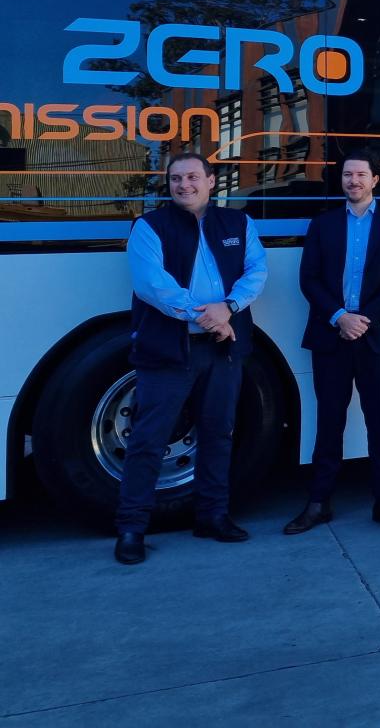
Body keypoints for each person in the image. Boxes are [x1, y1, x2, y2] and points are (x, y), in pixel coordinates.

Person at [114, 152, 268, 565]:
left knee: (218, 434)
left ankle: (212, 517)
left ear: (212, 181)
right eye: (176, 178)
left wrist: (229, 307)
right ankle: (131, 528)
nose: (184, 185)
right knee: (148, 440)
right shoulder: (148, 227)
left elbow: (256, 271)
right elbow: (152, 286)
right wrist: (208, 317)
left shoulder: (239, 223)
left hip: (225, 348)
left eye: (193, 177)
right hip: (168, 350)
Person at [286, 150, 380, 534]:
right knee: (329, 421)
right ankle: (318, 502)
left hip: (378, 337)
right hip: (331, 335)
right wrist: (339, 317)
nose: (353, 181)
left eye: (361, 174)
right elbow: (308, 279)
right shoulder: (322, 224)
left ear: (376, 179)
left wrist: (364, 319)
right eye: (347, 175)